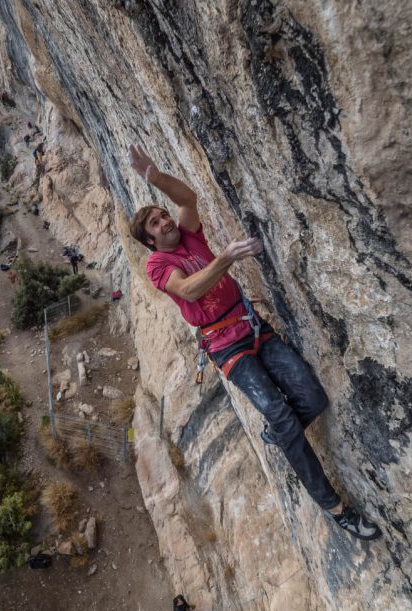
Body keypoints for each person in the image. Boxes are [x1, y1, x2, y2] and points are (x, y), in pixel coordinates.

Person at [127, 144, 381, 541]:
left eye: (163, 216)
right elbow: (190, 291)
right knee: (280, 414)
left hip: (251, 326)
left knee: (312, 399)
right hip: (226, 346)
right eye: (157, 225)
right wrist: (225, 259)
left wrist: (156, 178)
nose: (164, 222)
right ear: (149, 241)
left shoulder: (189, 237)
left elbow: (188, 199)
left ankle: (280, 435)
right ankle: (335, 508)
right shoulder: (158, 265)